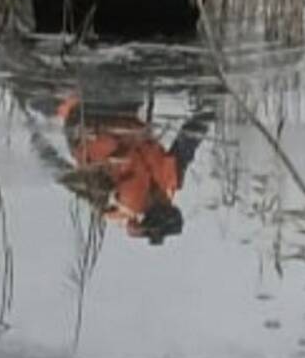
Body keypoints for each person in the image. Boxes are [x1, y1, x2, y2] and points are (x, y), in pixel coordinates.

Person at [55, 91, 214, 245]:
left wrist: (136, 228)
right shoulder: (171, 179)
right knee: (129, 87)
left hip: (86, 125)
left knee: (68, 96)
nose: (159, 199)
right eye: (165, 202)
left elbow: (76, 182)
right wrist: (208, 111)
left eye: (155, 205)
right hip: (124, 112)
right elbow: (188, 141)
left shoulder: (119, 205)